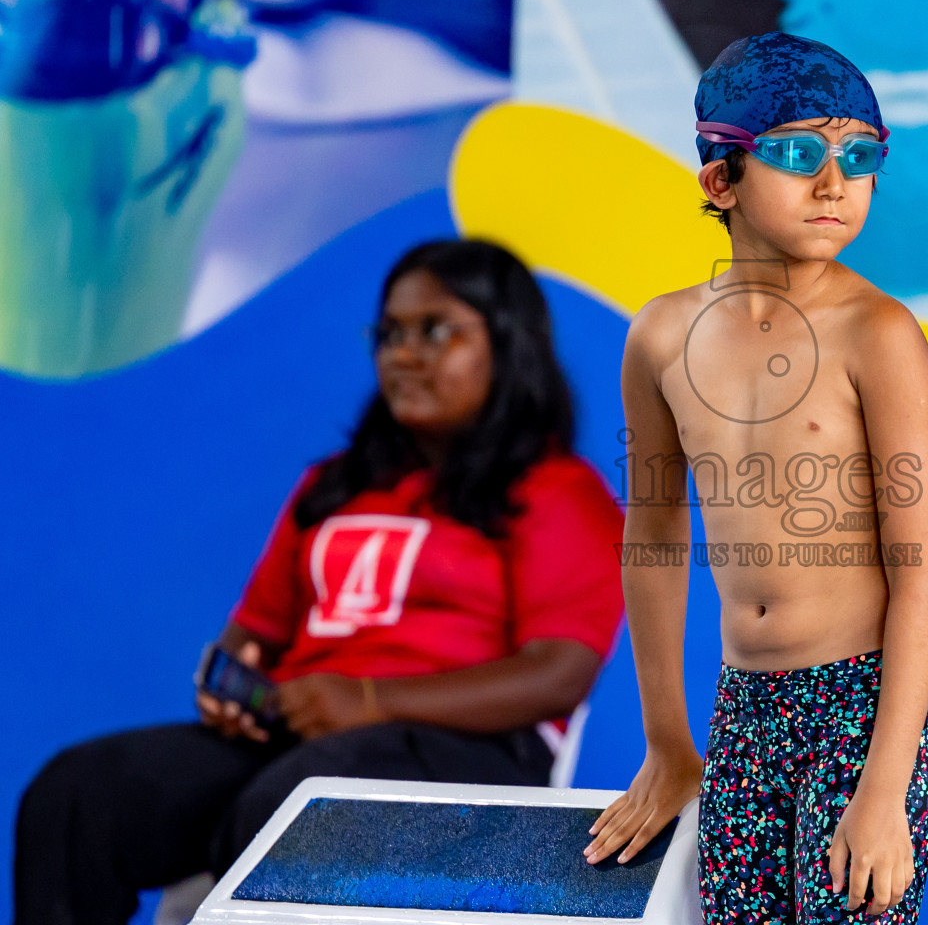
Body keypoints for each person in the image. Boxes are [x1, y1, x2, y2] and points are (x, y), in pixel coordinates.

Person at [14, 239, 625, 925]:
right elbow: (254, 635)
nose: (404, 353)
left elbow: (557, 674)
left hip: (466, 752)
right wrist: (232, 686)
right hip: (301, 734)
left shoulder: (557, 492)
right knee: (77, 797)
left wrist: (368, 700)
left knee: (294, 807)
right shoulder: (333, 487)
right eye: (389, 333)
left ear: (510, 343)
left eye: (435, 330)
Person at [582, 32, 928, 923]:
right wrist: (670, 741)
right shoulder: (661, 337)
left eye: (859, 155)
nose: (835, 183)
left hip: (863, 709)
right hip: (744, 707)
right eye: (797, 153)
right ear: (721, 180)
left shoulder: (879, 335)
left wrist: (885, 788)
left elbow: (922, 572)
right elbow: (655, 538)